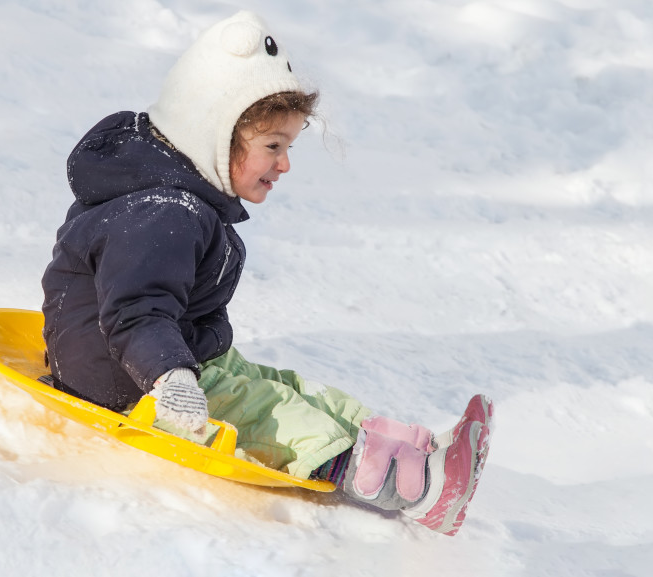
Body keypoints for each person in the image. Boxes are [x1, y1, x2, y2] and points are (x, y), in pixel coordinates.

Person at [41, 10, 493, 536]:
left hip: (170, 355)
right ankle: (415, 489)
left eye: (289, 147)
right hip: (132, 377)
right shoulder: (162, 213)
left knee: (290, 387)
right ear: (214, 132)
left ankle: (412, 451)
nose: (284, 165)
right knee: (270, 411)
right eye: (272, 146)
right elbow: (137, 310)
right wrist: (171, 376)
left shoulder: (179, 200)